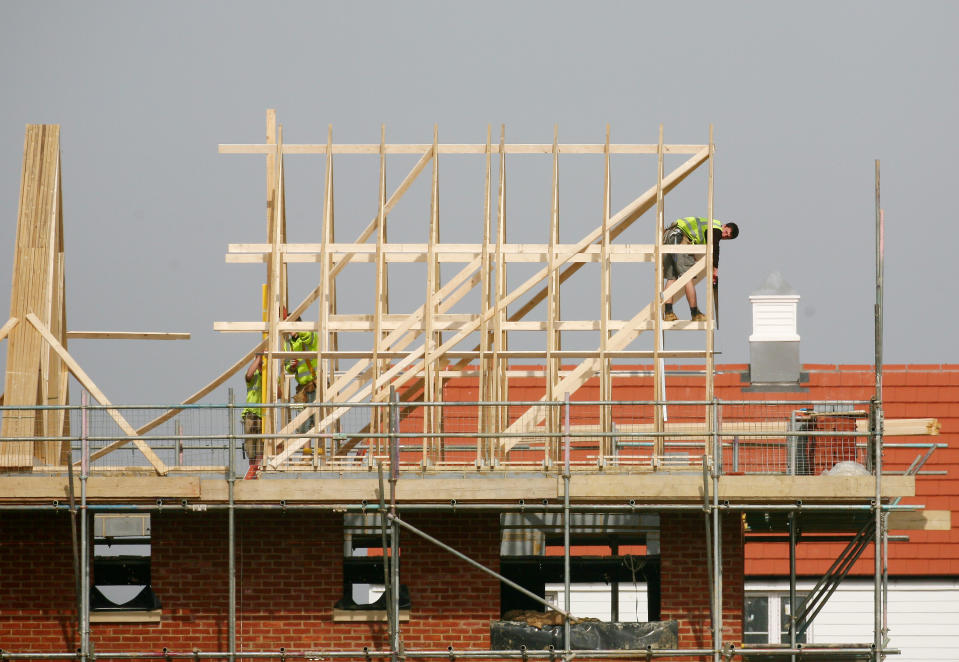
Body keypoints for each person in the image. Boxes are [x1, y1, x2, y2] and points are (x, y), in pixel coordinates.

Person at [662, 217, 739, 321]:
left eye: (727, 237)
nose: (724, 235)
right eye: (726, 232)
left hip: (668, 238)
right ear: (724, 226)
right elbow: (715, 247)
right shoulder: (716, 228)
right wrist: (715, 270)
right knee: (688, 277)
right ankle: (695, 313)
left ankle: (668, 313)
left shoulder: (707, 226)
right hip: (680, 238)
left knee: (672, 278)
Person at [241, 355, 263, 461]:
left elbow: (279, 394)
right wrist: (259, 356)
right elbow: (249, 374)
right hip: (251, 414)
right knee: (251, 449)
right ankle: (252, 469)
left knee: (260, 449)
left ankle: (258, 472)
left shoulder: (269, 377)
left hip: (264, 415)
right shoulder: (253, 376)